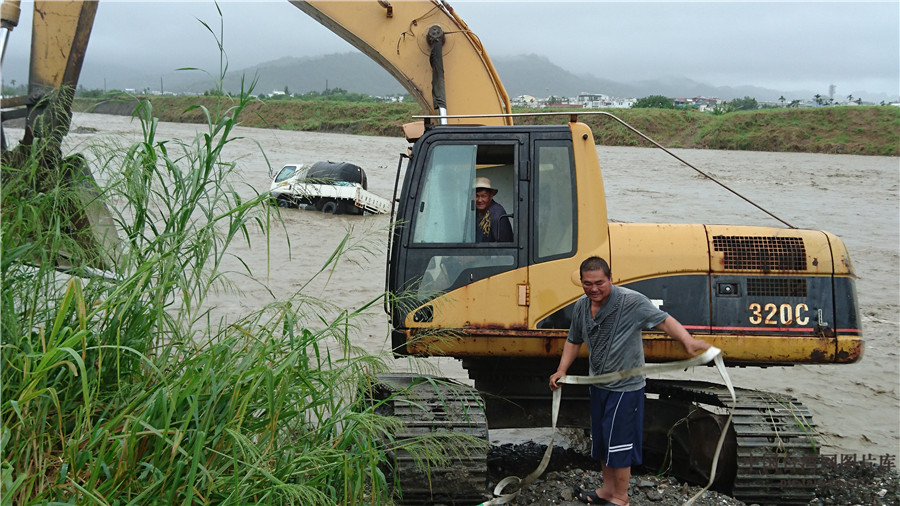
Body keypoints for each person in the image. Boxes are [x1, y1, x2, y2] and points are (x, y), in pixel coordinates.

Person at [549, 256, 710, 506]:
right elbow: (574, 340)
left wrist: (688, 341)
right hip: (598, 385)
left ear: (611, 278)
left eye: (599, 283)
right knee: (602, 441)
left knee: (619, 445)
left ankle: (621, 498)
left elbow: (664, 320)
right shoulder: (582, 306)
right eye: (587, 283)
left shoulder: (631, 302)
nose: (593, 288)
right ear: (581, 282)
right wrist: (561, 370)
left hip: (625, 389)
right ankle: (606, 490)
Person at [474, 176, 513, 242]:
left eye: (483, 196)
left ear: (491, 196)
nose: (479, 200)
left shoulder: (497, 212)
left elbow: (505, 244)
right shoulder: (474, 211)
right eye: (476, 196)